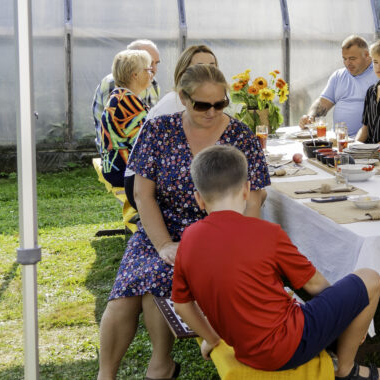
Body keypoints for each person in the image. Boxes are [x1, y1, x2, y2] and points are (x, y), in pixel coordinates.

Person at [97, 64, 270, 380]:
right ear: (183, 98)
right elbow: (142, 193)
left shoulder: (241, 136)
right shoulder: (159, 130)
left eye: (220, 104)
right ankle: (106, 375)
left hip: (217, 235)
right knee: (124, 296)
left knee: (157, 281)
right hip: (159, 226)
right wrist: (163, 243)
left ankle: (160, 365)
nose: (212, 111)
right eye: (202, 105)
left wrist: (239, 247)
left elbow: (255, 197)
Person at [172, 145, 380, 379]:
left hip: (245, 351)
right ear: (246, 190)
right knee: (370, 278)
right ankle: (345, 369)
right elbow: (315, 286)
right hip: (288, 347)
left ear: (199, 199)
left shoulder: (188, 239)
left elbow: (182, 306)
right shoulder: (267, 233)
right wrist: (346, 314)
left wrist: (212, 340)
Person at [123, 45, 219, 207]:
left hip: (164, 175)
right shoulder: (177, 105)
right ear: (184, 73)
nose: (208, 72)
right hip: (142, 183)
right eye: (200, 67)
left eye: (212, 67)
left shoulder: (202, 102)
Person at [298, 35, 378, 136]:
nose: (347, 63)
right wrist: (309, 117)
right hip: (339, 140)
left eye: (352, 58)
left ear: (366, 55)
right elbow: (322, 103)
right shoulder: (339, 76)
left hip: (368, 144)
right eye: (344, 59)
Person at [93, 39, 162, 156]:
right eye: (149, 64)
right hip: (118, 156)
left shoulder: (152, 84)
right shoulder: (114, 85)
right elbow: (119, 134)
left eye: (156, 63)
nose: (154, 69)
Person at [98, 49, 154, 188]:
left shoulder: (120, 97)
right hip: (125, 172)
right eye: (148, 69)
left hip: (115, 169)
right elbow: (146, 142)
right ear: (135, 75)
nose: (151, 73)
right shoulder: (127, 102)